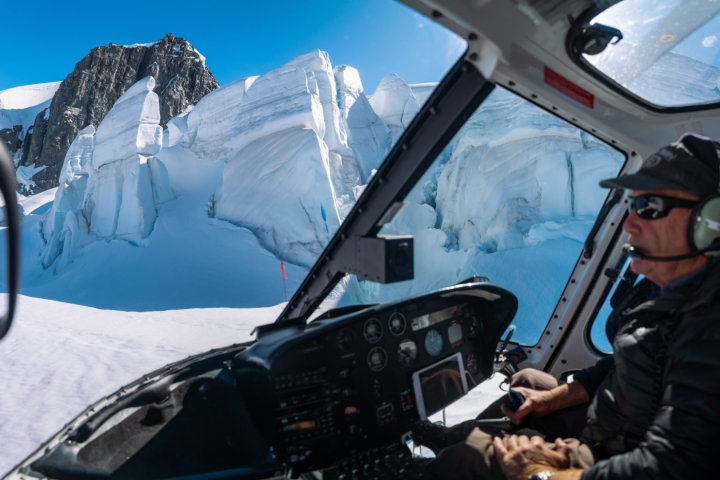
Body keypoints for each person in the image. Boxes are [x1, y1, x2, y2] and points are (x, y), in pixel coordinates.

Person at [413, 133, 720, 480]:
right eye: (632, 206)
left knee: (479, 461)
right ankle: (455, 440)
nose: (630, 224)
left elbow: (673, 467)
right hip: (609, 427)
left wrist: (541, 473)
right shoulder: (670, 292)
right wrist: (550, 400)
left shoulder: (709, 328)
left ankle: (448, 464)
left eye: (649, 207)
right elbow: (619, 365)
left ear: (712, 222)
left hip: (619, 459)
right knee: (529, 382)